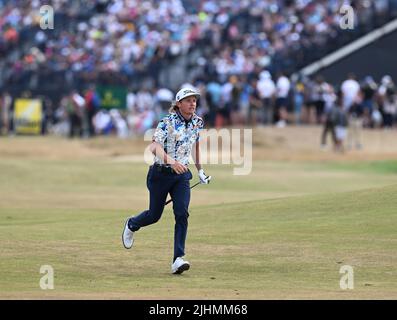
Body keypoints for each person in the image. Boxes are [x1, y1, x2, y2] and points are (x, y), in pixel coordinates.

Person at [122, 87, 211, 274]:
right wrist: (172, 162)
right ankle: (132, 224)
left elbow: (195, 146)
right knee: (154, 215)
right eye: (188, 100)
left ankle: (178, 259)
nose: (192, 103)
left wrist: (200, 170)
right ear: (178, 104)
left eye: (194, 100)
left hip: (181, 176)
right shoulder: (167, 122)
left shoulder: (197, 122)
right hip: (160, 174)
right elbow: (154, 147)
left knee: (181, 212)